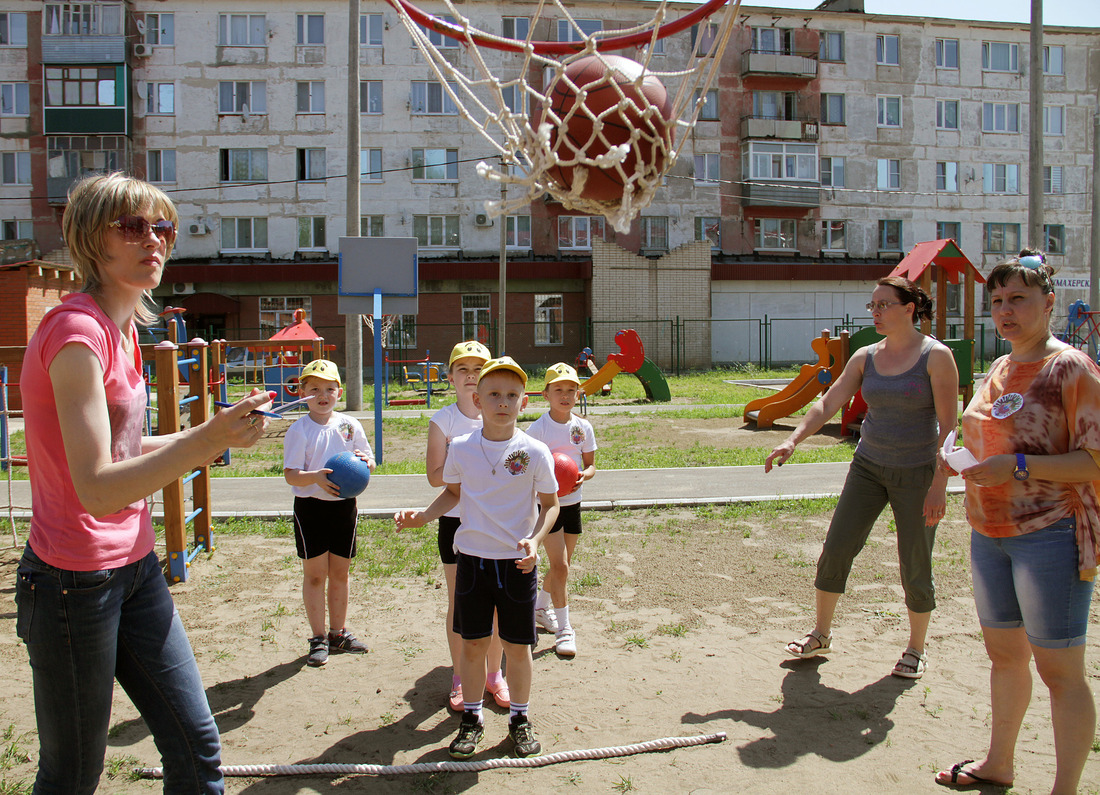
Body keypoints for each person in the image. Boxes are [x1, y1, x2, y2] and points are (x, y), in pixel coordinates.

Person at [15, 172, 274, 793]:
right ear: (89, 239)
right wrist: (204, 442)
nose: (154, 240)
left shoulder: (127, 326)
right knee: (74, 774)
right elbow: (100, 488)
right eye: (133, 227)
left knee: (196, 745)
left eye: (163, 228)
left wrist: (216, 432)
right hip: (71, 585)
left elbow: (126, 449)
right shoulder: (76, 334)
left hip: (135, 568)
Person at [935, 250, 1100, 793]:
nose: (1005, 311)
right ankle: (998, 764)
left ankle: (1065, 790)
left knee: (1059, 673)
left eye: (1018, 299)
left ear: (1048, 303)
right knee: (1005, 657)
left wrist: (1020, 466)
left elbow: (1095, 460)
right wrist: (961, 456)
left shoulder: (1069, 367)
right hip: (991, 533)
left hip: (1050, 534)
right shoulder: (1002, 366)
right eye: (998, 301)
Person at [765, 276, 959, 679]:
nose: (875, 312)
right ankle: (821, 633)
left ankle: (916, 648)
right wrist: (794, 441)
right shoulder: (866, 356)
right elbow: (828, 402)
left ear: (909, 308)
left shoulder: (936, 356)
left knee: (915, 560)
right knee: (837, 546)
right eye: (872, 305)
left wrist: (939, 484)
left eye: (884, 305)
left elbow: (949, 427)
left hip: (918, 472)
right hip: (868, 467)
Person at [396, 357, 559, 760]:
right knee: (472, 646)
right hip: (472, 561)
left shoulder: (535, 451)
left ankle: (519, 719)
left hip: (517, 564)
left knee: (517, 647)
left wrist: (536, 540)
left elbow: (551, 504)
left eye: (511, 395)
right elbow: (452, 493)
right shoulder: (463, 448)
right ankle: (471, 719)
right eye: (493, 394)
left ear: (523, 402)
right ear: (477, 398)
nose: (502, 402)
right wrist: (422, 516)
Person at [426, 341, 510, 710]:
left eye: (479, 369)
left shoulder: (500, 412)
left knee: (493, 609)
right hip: (456, 525)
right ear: (450, 377)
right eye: (463, 369)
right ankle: (460, 677)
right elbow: (434, 477)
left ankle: (495, 675)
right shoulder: (443, 421)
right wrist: (468, 463)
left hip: (496, 526)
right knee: (460, 605)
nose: (471, 376)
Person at [283, 358, 375, 667]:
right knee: (315, 576)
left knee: (340, 573)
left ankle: (338, 633)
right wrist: (316, 478)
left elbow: (370, 461)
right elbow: (292, 475)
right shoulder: (299, 429)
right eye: (314, 389)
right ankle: (318, 637)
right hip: (311, 509)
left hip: (344, 508)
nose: (323, 395)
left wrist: (366, 462)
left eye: (330, 389)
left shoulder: (350, 425)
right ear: (302, 392)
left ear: (339, 391)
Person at [526, 363, 598, 657]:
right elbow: (527, 467)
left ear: (578, 393)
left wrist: (584, 475)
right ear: (546, 394)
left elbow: (591, 465)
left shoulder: (583, 427)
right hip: (548, 507)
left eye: (571, 390)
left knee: (562, 567)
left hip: (574, 503)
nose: (565, 395)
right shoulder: (538, 429)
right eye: (558, 390)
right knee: (562, 566)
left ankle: (541, 607)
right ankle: (565, 630)